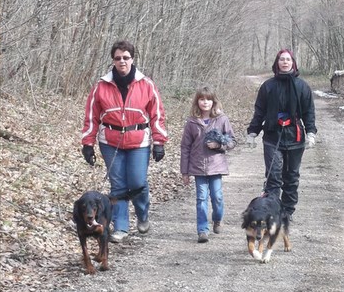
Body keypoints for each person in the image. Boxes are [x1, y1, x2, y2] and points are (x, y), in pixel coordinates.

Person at [81, 40, 168, 243]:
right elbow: (91, 116)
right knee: (118, 185)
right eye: (118, 58)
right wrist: (88, 143)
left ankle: (142, 214)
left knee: (138, 182)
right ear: (113, 60)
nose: (122, 61)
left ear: (132, 59)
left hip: (138, 141)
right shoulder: (101, 86)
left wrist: (159, 142)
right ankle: (121, 227)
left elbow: (157, 114)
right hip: (111, 141)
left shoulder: (146, 84)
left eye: (126, 57)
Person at [246, 49, 316, 219]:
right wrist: (253, 132)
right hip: (272, 135)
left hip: (295, 137)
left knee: (291, 176)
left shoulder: (302, 86)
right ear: (277, 63)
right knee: (273, 175)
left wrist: (311, 132)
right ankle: (272, 209)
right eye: (282, 59)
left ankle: (287, 211)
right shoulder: (267, 86)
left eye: (288, 59)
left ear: (293, 63)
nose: (285, 62)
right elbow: (260, 111)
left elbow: (309, 112)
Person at [180, 87, 236, 243]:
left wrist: (219, 145)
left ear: (214, 102)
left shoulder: (222, 119)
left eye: (208, 99)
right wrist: (185, 172)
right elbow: (185, 147)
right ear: (197, 101)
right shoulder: (191, 122)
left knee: (217, 197)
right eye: (202, 99)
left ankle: (217, 219)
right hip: (198, 168)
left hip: (216, 166)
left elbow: (232, 141)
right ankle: (202, 230)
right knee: (201, 198)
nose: (205, 102)